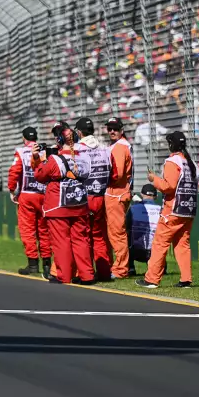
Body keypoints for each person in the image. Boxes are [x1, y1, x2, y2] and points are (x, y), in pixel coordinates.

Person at [32, 122, 95, 284]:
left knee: (61, 242)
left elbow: (40, 175)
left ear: (60, 140)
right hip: (79, 204)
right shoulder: (84, 156)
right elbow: (86, 175)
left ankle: (64, 275)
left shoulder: (54, 159)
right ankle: (87, 275)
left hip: (59, 205)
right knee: (81, 240)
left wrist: (39, 160)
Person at [137, 132, 198, 289]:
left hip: (173, 210)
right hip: (188, 211)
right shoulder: (193, 164)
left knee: (159, 243)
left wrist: (153, 179)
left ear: (172, 145)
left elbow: (168, 187)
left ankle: (152, 279)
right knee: (182, 244)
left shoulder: (173, 161)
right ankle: (186, 280)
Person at [8, 126, 52, 278]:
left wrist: (12, 190)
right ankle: (47, 264)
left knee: (27, 231)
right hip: (44, 194)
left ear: (23, 138)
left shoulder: (21, 152)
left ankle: (33, 264)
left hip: (27, 195)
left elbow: (14, 172)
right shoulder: (44, 151)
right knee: (44, 231)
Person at [73, 117, 112, 280]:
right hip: (101, 196)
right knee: (99, 235)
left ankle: (84, 272)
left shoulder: (77, 148)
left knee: (82, 236)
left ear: (79, 132)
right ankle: (104, 272)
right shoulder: (105, 148)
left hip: (84, 197)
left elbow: (75, 172)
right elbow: (112, 170)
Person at [104, 117, 134, 279]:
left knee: (117, 233)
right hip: (118, 193)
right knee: (114, 233)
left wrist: (101, 178)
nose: (112, 131)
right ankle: (117, 266)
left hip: (116, 193)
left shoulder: (120, 147)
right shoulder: (119, 145)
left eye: (115, 128)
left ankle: (121, 269)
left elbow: (118, 173)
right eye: (109, 128)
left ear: (122, 130)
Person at [126, 184, 160, 276]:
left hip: (134, 252)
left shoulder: (133, 208)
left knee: (126, 235)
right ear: (156, 196)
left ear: (141, 194)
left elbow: (126, 227)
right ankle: (159, 268)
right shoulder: (161, 210)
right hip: (155, 252)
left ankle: (130, 268)